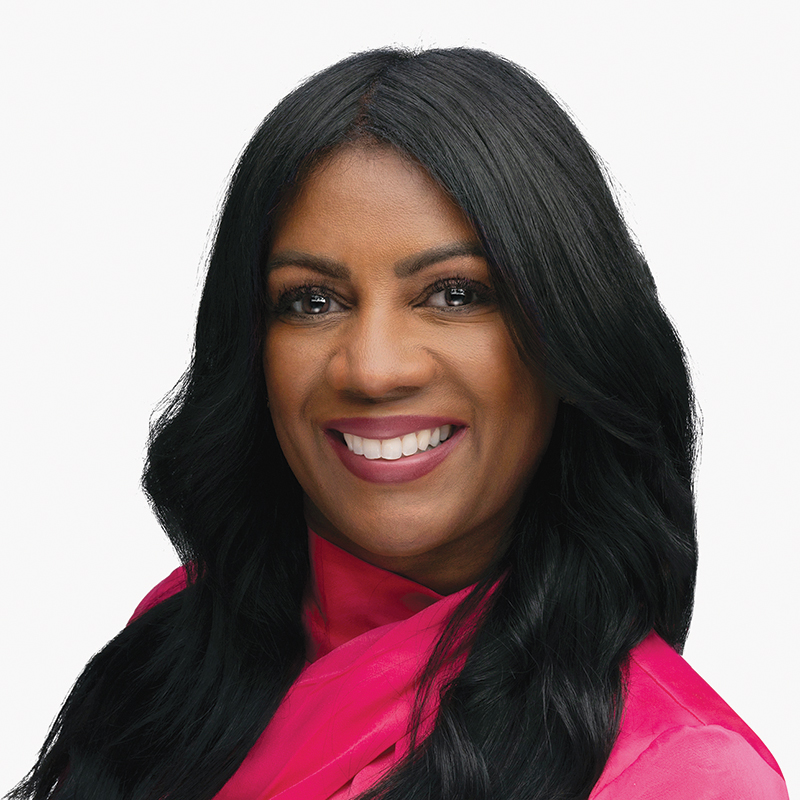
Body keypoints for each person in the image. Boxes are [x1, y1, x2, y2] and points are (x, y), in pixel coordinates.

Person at [10, 48, 787, 800]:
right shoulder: (175, 648)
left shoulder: (682, 774)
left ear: (568, 336)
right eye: (312, 301)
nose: (374, 368)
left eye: (454, 294)